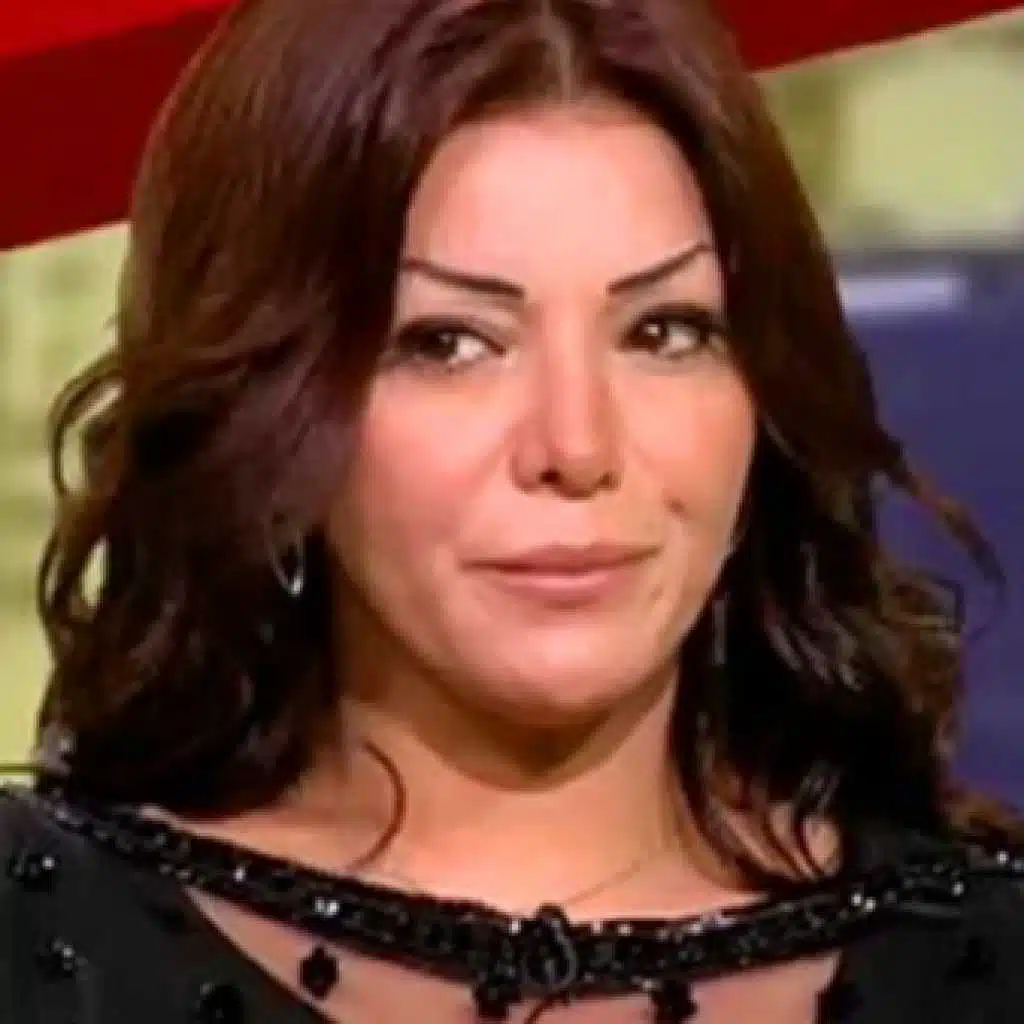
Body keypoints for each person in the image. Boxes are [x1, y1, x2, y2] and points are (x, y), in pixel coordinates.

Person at [1, 0, 1022, 1021]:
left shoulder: (988, 955)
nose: (575, 447)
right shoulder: (42, 940)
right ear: (271, 407)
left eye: (663, 332)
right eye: (448, 343)